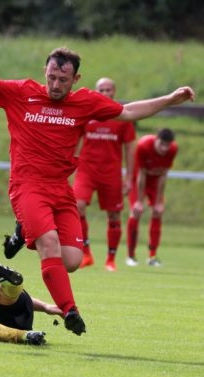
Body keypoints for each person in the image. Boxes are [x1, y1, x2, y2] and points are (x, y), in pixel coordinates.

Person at [0, 32, 195, 336]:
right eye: (52, 77)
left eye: (63, 80)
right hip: (27, 186)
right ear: (45, 72)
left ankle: (23, 231)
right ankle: (70, 311)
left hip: (60, 189)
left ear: (75, 78)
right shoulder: (21, 92)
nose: (55, 85)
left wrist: (170, 99)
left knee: (72, 261)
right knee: (49, 244)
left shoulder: (86, 102)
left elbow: (129, 111)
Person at [72, 77, 136, 272]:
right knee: (78, 206)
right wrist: (67, 164)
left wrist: (129, 178)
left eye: (109, 89)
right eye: (102, 89)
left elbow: (130, 149)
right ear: (96, 91)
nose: (106, 92)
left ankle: (111, 259)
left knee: (114, 215)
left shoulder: (122, 117)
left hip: (111, 174)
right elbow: (74, 140)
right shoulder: (87, 113)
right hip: (86, 171)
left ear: (114, 92)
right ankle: (86, 254)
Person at [126, 128, 178, 268]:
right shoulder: (143, 146)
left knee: (157, 212)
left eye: (167, 145)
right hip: (140, 180)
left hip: (155, 182)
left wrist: (159, 201)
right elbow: (141, 175)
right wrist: (138, 201)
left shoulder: (173, 150)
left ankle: (152, 256)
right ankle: (131, 256)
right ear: (156, 139)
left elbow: (163, 175)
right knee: (136, 212)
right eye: (162, 144)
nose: (164, 148)